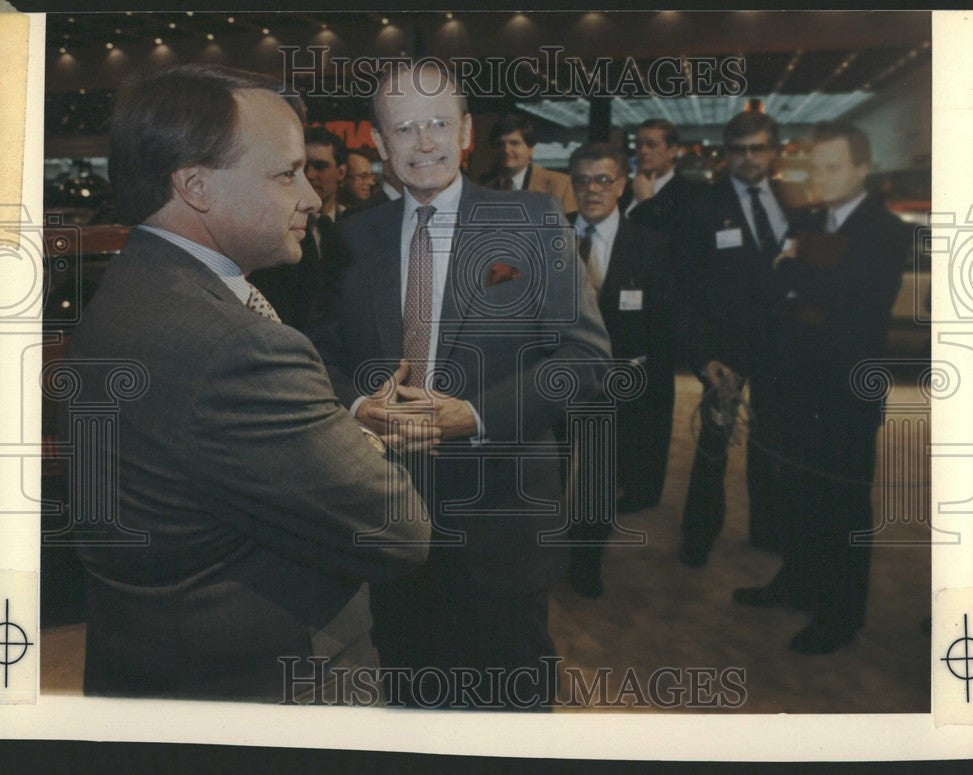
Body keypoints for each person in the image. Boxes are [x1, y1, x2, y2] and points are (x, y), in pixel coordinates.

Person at [66, 64, 430, 702]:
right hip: (269, 687)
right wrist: (356, 438)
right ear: (196, 186)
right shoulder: (236, 344)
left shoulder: (128, 289)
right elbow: (397, 528)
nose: (314, 198)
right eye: (285, 174)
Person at [310, 62, 611, 709]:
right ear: (380, 140)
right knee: (413, 703)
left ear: (468, 130)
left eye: (440, 124)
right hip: (391, 521)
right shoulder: (350, 239)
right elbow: (319, 354)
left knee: (513, 708)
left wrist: (473, 414)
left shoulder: (532, 220)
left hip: (503, 525)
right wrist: (362, 404)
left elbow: (584, 355)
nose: (424, 143)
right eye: (407, 127)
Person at [733, 122, 908, 654]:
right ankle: (797, 583)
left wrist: (793, 277)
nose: (822, 176)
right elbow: (772, 284)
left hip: (845, 392)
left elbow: (850, 296)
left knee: (842, 505)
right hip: (796, 384)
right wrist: (794, 282)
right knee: (798, 496)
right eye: (816, 166)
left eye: (834, 166)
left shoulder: (886, 229)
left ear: (861, 169)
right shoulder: (807, 219)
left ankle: (840, 615)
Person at [680, 110, 797, 568]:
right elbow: (686, 286)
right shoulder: (703, 206)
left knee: (774, 441)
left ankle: (768, 529)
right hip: (725, 351)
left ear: (773, 152)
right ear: (726, 155)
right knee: (714, 441)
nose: (748, 158)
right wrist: (702, 354)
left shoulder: (794, 199)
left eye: (757, 148)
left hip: (783, 345)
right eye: (739, 150)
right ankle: (698, 536)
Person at [563, 143, 673, 597]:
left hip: (616, 386)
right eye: (584, 180)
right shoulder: (550, 236)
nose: (593, 189)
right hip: (554, 383)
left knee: (598, 481)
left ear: (622, 185)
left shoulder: (649, 246)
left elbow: (661, 327)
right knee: (543, 474)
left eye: (603, 180)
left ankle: (586, 563)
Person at [249, 124, 348, 330]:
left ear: (341, 172)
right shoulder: (275, 229)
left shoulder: (356, 226)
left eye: (320, 166)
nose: (311, 175)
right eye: (302, 169)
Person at [483, 113, 577, 213]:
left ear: (531, 149)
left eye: (514, 143)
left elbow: (570, 227)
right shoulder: (485, 191)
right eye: (500, 144)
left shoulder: (561, 185)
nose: (506, 150)